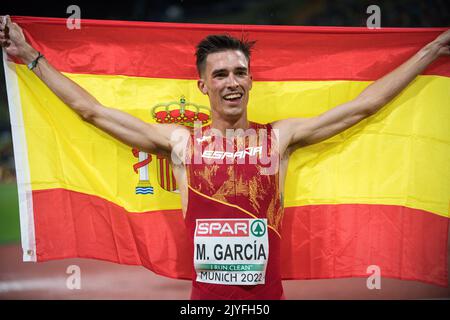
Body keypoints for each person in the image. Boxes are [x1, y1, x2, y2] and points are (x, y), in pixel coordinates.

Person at [0, 15, 449, 300]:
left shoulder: (281, 137)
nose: (232, 82)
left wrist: (431, 51)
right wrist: (30, 56)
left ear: (251, 82)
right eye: (221, 74)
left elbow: (362, 107)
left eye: (240, 72)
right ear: (203, 86)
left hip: (267, 297)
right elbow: (91, 111)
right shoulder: (182, 144)